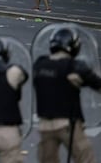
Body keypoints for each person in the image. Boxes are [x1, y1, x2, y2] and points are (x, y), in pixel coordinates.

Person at [33, 27, 101, 163]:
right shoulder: (74, 67)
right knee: (85, 158)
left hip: (45, 125)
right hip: (68, 124)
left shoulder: (40, 64)